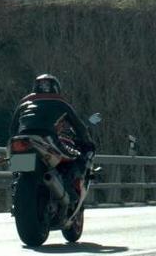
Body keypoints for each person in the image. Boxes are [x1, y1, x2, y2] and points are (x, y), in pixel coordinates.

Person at [8, 74, 95, 206]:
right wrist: (87, 142)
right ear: (56, 88)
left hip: (21, 140)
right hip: (47, 138)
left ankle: (16, 191)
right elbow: (79, 126)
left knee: (18, 171)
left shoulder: (23, 103)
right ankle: (70, 192)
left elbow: (12, 128)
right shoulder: (60, 102)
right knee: (75, 157)